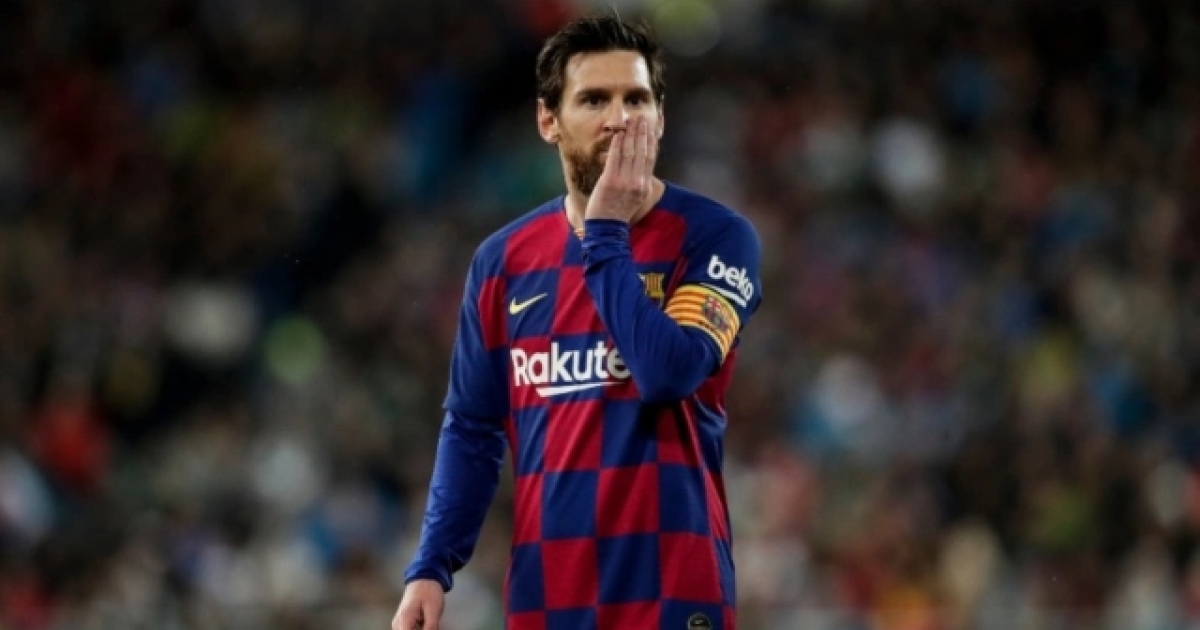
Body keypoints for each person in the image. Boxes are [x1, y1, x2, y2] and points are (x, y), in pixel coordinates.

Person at [392, 15, 762, 630]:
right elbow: (473, 428)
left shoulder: (714, 237)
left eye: (636, 99)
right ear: (549, 120)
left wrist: (606, 232)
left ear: (660, 118)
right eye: (594, 100)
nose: (619, 118)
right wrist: (431, 566)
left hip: (671, 594)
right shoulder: (503, 262)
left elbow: (668, 374)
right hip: (546, 599)